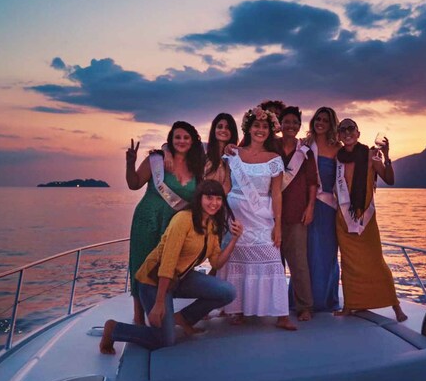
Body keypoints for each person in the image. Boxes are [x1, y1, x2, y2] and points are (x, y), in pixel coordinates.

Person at [100, 180, 243, 353]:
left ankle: (183, 318)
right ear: (199, 199)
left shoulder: (211, 225)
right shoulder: (183, 220)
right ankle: (114, 329)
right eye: (209, 197)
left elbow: (216, 263)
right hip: (154, 281)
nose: (214, 203)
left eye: (218, 198)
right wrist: (159, 303)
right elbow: (168, 262)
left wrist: (234, 239)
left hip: (180, 278)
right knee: (165, 340)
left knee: (227, 292)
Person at [221, 106, 297, 330]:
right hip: (236, 217)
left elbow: (277, 194)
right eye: (256, 125)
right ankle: (237, 309)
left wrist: (278, 225)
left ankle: (281, 315)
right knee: (238, 261)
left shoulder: (274, 159)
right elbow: (225, 184)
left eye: (265, 126)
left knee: (272, 259)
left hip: (262, 216)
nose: (260, 130)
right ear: (249, 128)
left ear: (270, 131)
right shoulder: (233, 154)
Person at [126, 121, 205, 325]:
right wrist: (130, 164)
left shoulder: (197, 167)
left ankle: (161, 306)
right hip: (147, 219)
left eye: (186, 137)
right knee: (141, 264)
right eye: (177, 137)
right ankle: (138, 316)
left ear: (192, 141)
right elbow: (134, 184)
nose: (181, 141)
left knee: (165, 266)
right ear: (171, 140)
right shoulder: (156, 161)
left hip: (173, 224)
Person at [334, 118, 407, 322]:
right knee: (348, 264)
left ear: (358, 133)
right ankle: (350, 305)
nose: (347, 132)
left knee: (376, 262)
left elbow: (389, 180)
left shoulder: (371, 155)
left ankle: (395, 306)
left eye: (351, 128)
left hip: (366, 220)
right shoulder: (337, 158)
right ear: (339, 135)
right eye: (342, 129)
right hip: (343, 220)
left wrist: (387, 156)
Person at [279, 106, 318, 321]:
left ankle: (305, 306)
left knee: (299, 263)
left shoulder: (305, 152)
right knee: (272, 264)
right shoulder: (271, 147)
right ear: (280, 124)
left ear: (299, 126)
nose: (291, 125)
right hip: (270, 214)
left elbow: (312, 182)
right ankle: (274, 306)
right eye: (287, 121)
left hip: (296, 213)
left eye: (295, 122)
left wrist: (310, 207)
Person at [304, 107, 342, 312]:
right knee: (307, 254)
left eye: (325, 120)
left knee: (327, 254)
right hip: (306, 206)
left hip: (328, 208)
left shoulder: (337, 148)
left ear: (331, 124)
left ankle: (324, 299)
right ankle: (304, 299)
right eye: (318, 119)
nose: (320, 123)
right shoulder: (305, 144)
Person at [204, 113, 238, 190]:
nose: (223, 130)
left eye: (227, 128)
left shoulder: (236, 159)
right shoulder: (204, 156)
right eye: (220, 127)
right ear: (214, 130)